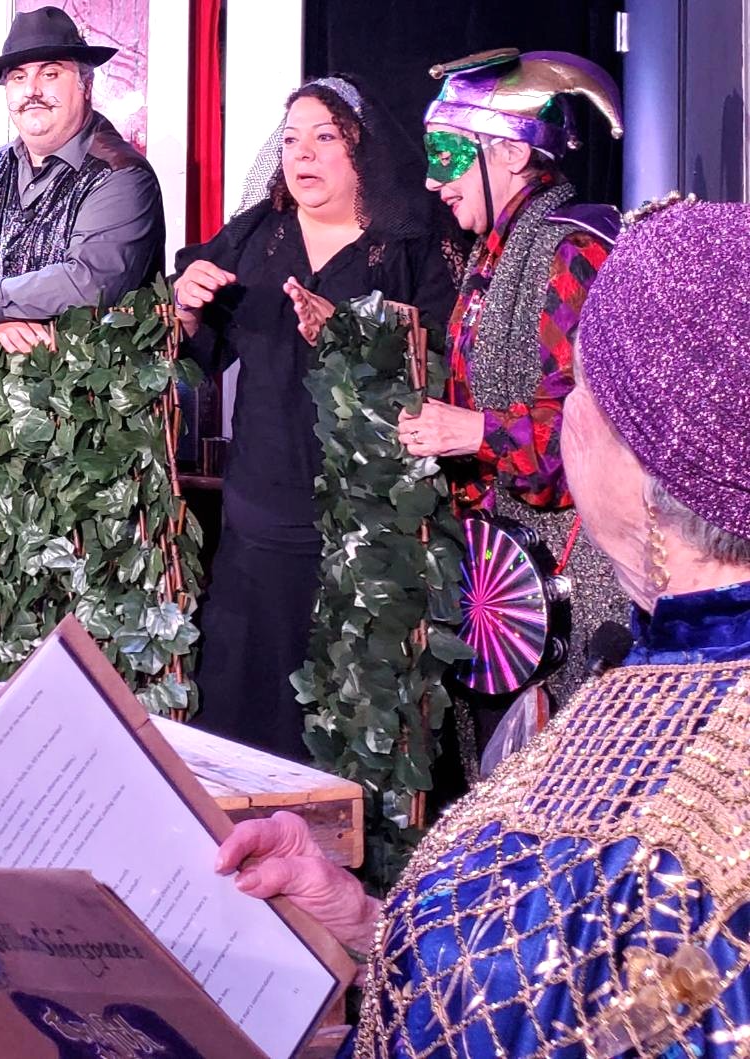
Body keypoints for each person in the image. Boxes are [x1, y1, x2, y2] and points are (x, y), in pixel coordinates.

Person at [215, 196, 750, 1056]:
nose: (565, 417)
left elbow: (541, 981)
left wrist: (433, 939)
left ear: (638, 456)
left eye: (578, 389)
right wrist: (371, 926)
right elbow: (595, 991)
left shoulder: (612, 824)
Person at [172, 77, 456, 760]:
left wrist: (354, 337)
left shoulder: (412, 243)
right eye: (292, 139)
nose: (302, 153)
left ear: (364, 149)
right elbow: (199, 351)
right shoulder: (257, 236)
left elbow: (448, 366)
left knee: (348, 729)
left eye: (325, 137)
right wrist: (185, 307)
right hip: (259, 517)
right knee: (242, 726)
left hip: (368, 529)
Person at [398, 48, 630, 769]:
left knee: (561, 788)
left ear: (510, 152)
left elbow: (595, 430)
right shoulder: (491, 256)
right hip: (502, 583)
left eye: (447, 154)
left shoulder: (574, 251)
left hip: (568, 586)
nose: (433, 180)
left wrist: (473, 430)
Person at [0, 6, 165, 353]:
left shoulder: (121, 174)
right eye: (18, 78)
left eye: (50, 74)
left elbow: (91, 282)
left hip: (92, 384)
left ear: (86, 85)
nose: (31, 90)